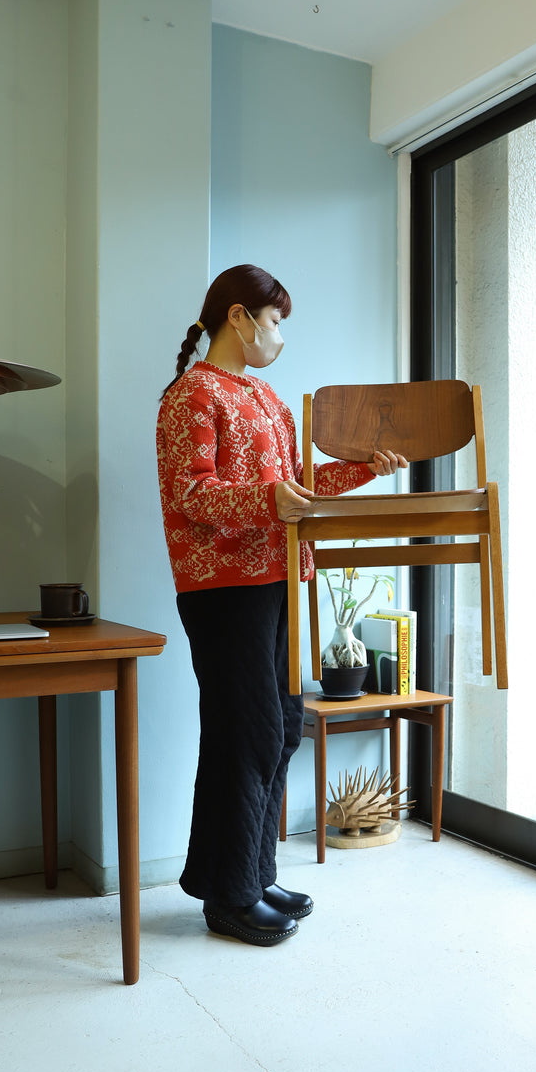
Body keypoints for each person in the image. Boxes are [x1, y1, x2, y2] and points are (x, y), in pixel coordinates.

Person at [156, 264, 407, 946]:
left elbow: (296, 486)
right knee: (249, 732)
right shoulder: (192, 396)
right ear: (238, 318)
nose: (280, 337)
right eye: (274, 322)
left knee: (281, 727)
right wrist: (270, 501)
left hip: (274, 579)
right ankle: (230, 899)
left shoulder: (267, 398)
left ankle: (250, 875)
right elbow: (192, 495)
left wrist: (362, 469)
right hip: (221, 588)